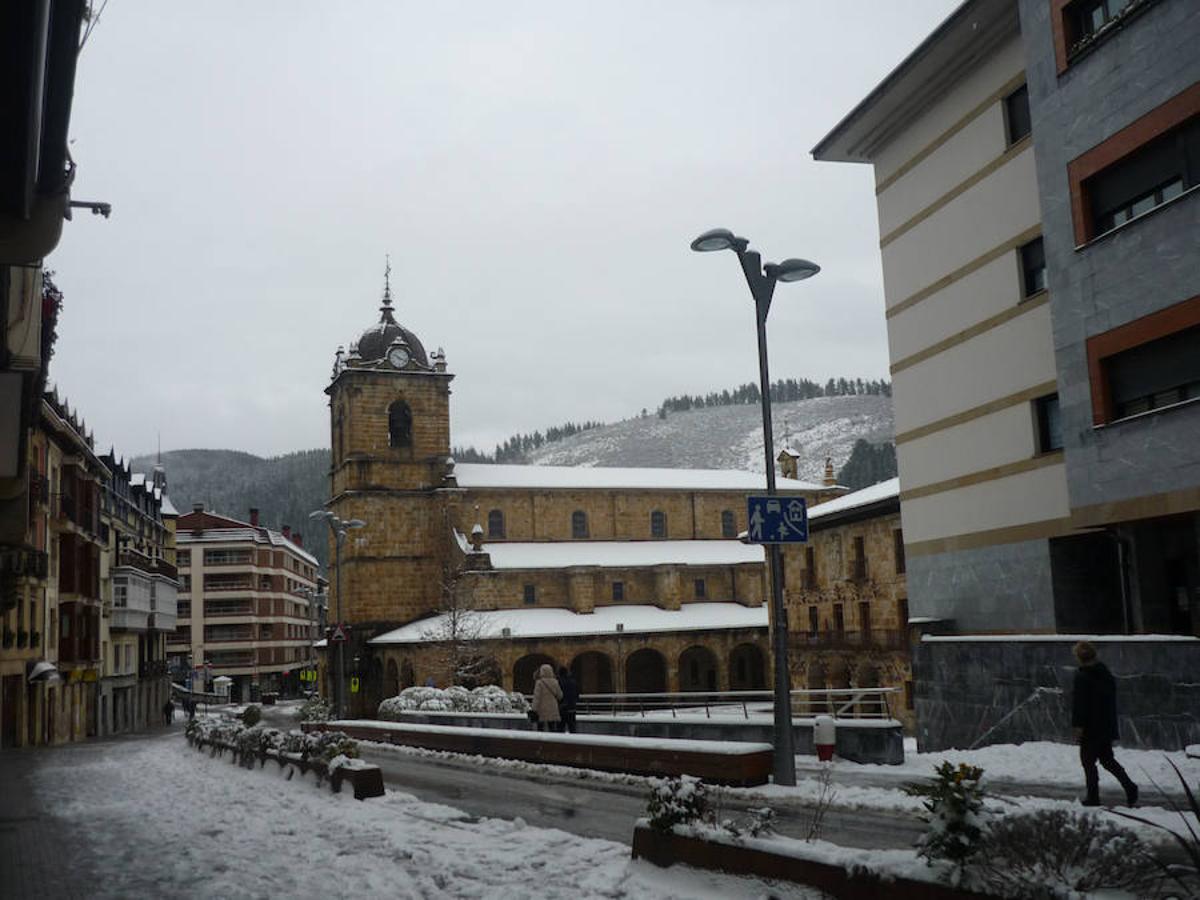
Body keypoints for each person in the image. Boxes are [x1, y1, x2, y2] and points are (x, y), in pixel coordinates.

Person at [1071, 640, 1138, 807]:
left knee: (1088, 762)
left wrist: (1079, 727)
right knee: (1107, 760)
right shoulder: (1105, 674)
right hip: (1106, 725)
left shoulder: (1082, 677)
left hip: (1090, 727)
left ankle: (1093, 797)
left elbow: (1080, 704)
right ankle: (1129, 786)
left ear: (1079, 657)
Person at [531, 663, 562, 733]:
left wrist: (534, 708)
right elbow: (560, 695)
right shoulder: (555, 682)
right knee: (552, 727)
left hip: (542, 708)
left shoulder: (539, 683)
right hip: (553, 708)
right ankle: (552, 741)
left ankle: (541, 742)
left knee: (540, 727)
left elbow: (537, 697)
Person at [557, 666, 579, 734]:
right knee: (572, 727)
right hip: (572, 707)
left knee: (560, 728)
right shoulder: (573, 682)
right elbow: (577, 693)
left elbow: (557, 695)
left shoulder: (558, 682)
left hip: (562, 708)